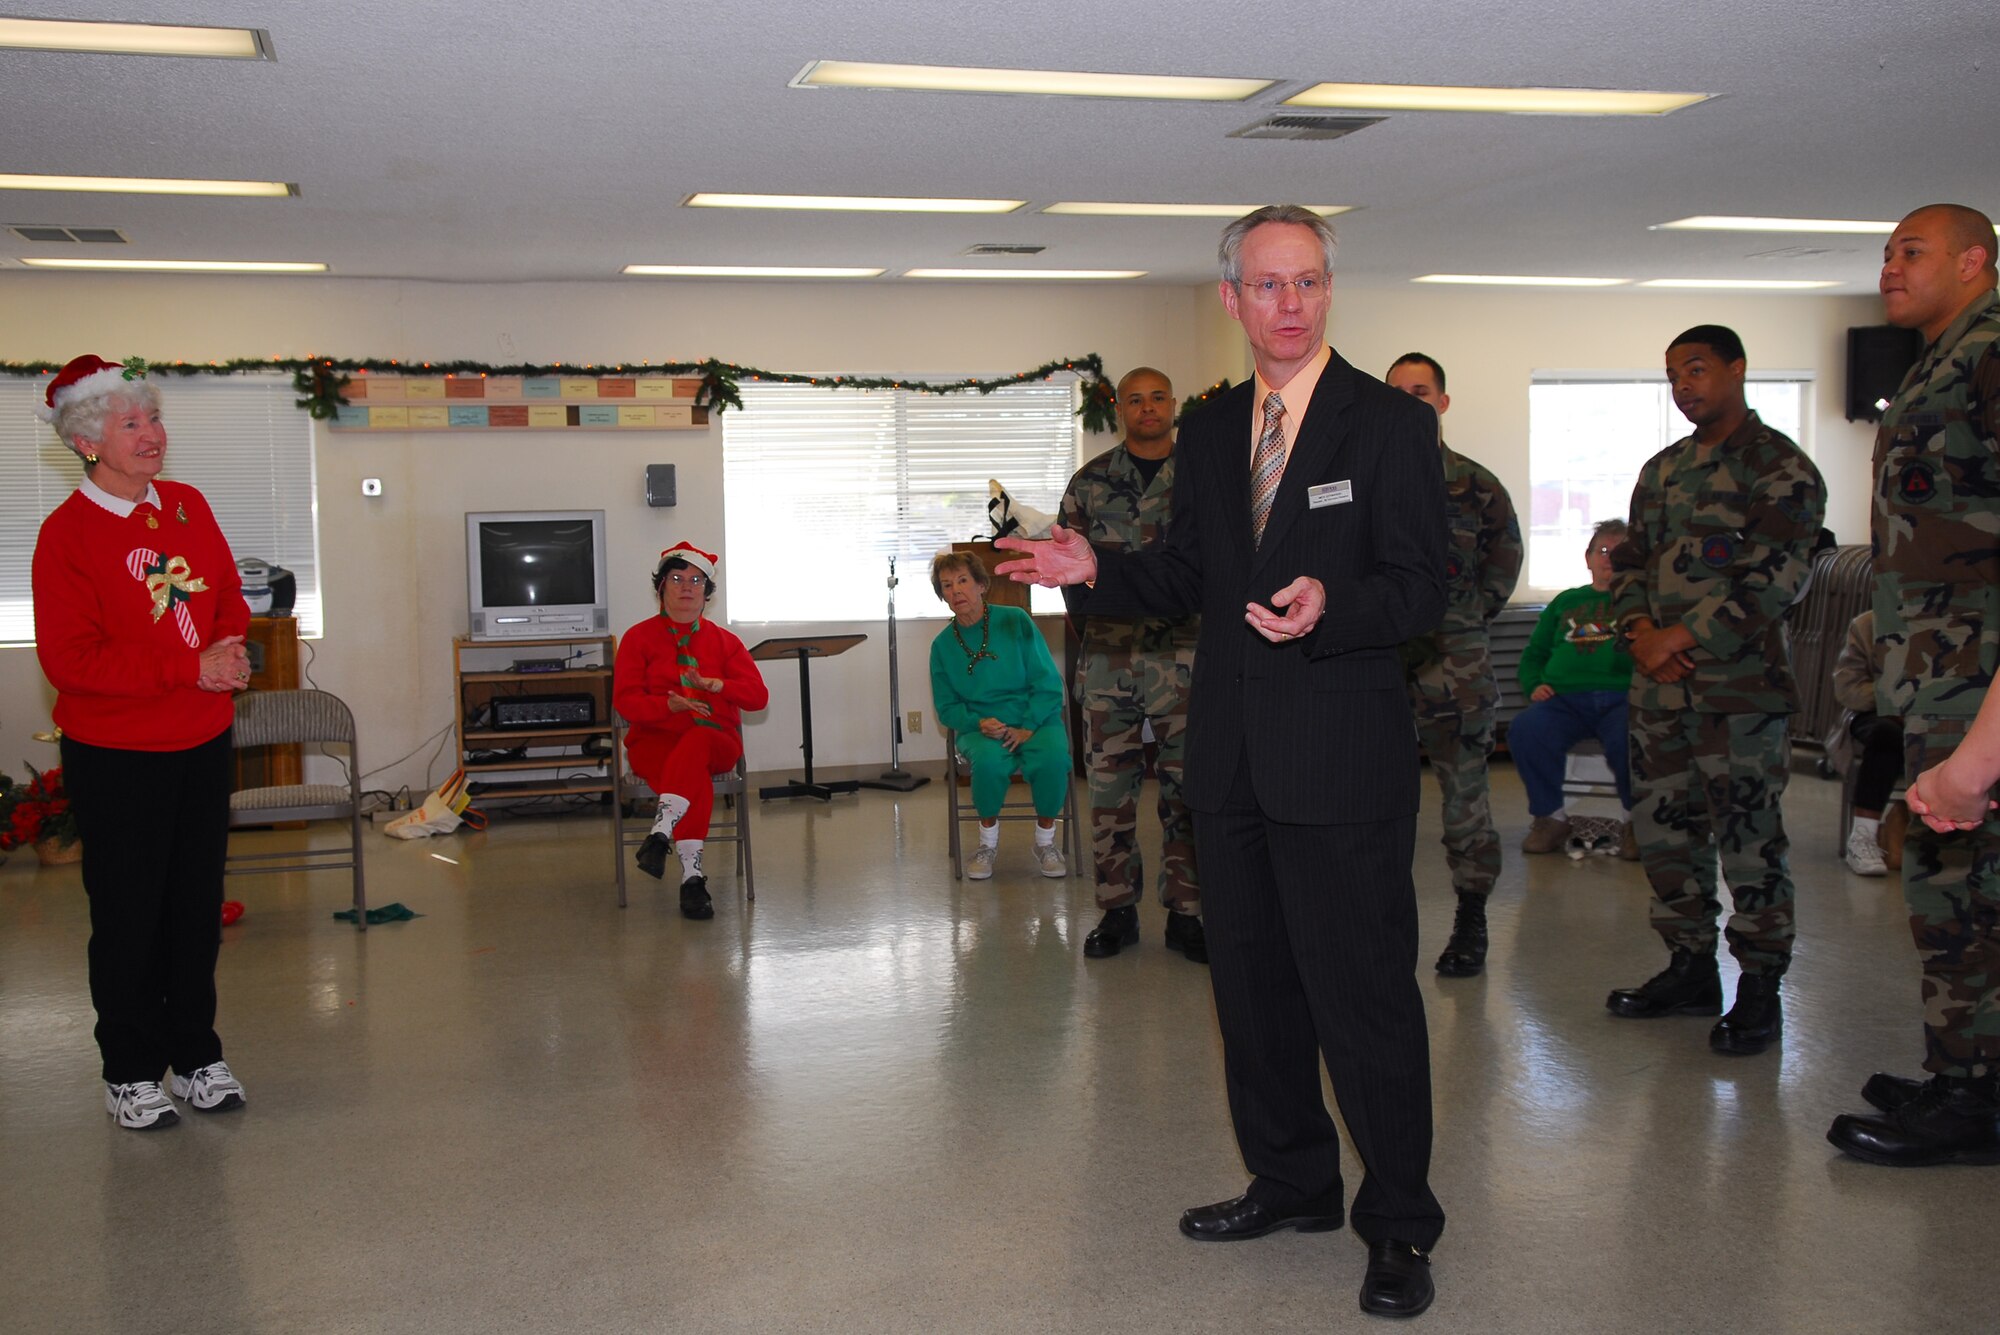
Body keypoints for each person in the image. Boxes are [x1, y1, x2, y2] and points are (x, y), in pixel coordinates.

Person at [997, 205, 1448, 1319]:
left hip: (1342, 764)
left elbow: (1425, 589)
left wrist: (1333, 605)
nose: (1286, 304)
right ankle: (1290, 1181)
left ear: (1329, 289)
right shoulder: (1207, 432)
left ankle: (1395, 1224)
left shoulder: (1387, 425)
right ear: (1230, 299)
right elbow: (1186, 578)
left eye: (1305, 283)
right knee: (1251, 996)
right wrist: (1091, 565)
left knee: (1362, 1002)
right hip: (1231, 763)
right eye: (1265, 285)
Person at [31, 354, 253, 1131]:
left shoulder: (188, 505)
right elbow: (71, 661)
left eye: (154, 419)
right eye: (132, 424)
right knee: (129, 913)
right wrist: (187, 664)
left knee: (195, 906)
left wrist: (228, 646)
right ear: (88, 442)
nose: (153, 435)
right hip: (118, 754)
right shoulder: (66, 535)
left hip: (201, 739)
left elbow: (225, 592)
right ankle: (128, 1067)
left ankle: (196, 1054)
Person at [1827, 203, 2000, 1167]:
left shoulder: (1989, 355)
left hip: (1980, 685)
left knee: (1967, 890)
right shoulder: (1938, 361)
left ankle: (1972, 1100)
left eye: (1913, 251)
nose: (1891, 266)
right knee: (1955, 890)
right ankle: (1967, 1074)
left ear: (1975, 261)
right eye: (1886, 250)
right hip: (1941, 677)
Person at [1604, 325, 1825, 1058]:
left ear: (1737, 369)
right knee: (1667, 836)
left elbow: (1779, 578)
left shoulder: (1780, 469)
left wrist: (1681, 637)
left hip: (1740, 693)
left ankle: (1760, 988)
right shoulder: (1661, 471)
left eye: (1697, 369)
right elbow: (1626, 564)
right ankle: (1691, 967)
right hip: (1659, 692)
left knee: (1749, 841)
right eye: (1673, 375)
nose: (1685, 386)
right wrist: (1639, 629)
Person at [1059, 367, 1205, 962]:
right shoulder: (1091, 483)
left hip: (1187, 660)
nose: (1148, 408)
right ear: (1119, 408)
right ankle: (1117, 910)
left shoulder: (1203, 477)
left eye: (1158, 398)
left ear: (1175, 403)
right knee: (1110, 796)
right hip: (1109, 662)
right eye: (1135, 400)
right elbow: (1070, 577)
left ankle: (1188, 914)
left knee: (1186, 792)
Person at [1388, 353, 1522, 977]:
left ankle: (1471, 917)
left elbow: (1503, 562)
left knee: (1465, 798)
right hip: (1378, 668)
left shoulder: (1477, 485)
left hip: (1455, 667)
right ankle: (1379, 923)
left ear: (1442, 402)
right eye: (1398, 393)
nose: (1411, 402)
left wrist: (1462, 622)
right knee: (1371, 801)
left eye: (1421, 392)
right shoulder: (1360, 480)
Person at [615, 542, 769, 920]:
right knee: (692, 773)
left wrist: (718, 686)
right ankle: (692, 879)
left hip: (714, 739)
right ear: (661, 589)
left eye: (696, 580)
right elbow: (625, 702)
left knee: (698, 742)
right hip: (655, 742)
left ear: (707, 593)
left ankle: (661, 832)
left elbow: (758, 698)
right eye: (677, 578)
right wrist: (666, 705)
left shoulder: (726, 642)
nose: (687, 587)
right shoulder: (638, 638)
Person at [927, 551, 1071, 881]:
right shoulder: (941, 646)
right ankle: (987, 844)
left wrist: (1028, 726)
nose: (956, 591)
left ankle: (1045, 842)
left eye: (963, 581)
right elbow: (946, 707)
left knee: (1052, 759)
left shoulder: (1015, 620)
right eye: (947, 585)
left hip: (1036, 717)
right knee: (989, 764)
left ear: (981, 585)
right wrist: (977, 723)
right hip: (981, 726)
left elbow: (1047, 681)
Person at [1509, 520, 1639, 860]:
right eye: (1603, 551)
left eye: (1619, 552)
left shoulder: (1643, 602)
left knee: (1630, 739)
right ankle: (1550, 819)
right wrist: (1534, 685)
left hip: (1622, 700)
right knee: (1526, 729)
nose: (1609, 559)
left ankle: (1636, 823)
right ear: (1588, 557)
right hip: (1564, 701)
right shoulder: (1566, 602)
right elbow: (1534, 656)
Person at [1826, 610, 1903, 877]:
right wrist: (1898, 701)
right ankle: (1863, 835)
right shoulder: (1867, 624)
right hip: (1874, 711)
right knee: (1888, 734)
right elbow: (1848, 688)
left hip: (1938, 714)